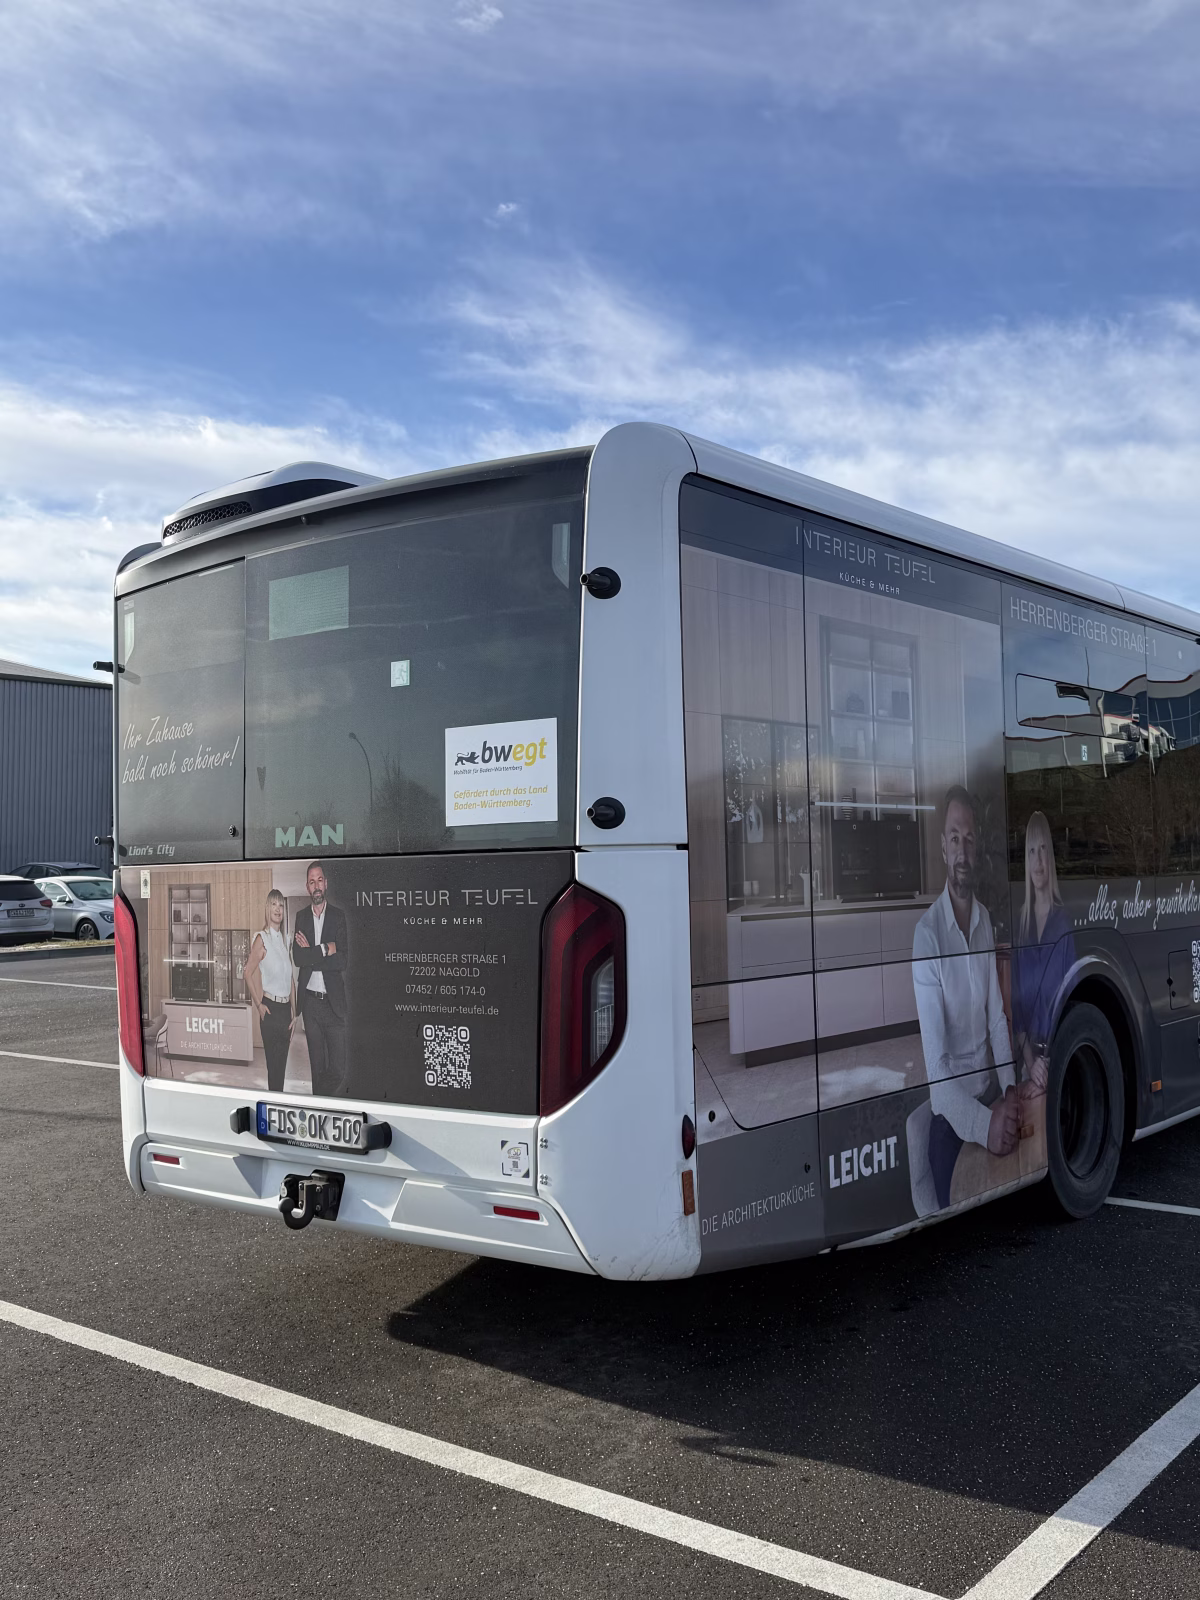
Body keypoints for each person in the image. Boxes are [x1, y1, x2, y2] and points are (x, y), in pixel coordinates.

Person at [912, 786, 1020, 1209]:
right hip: (954, 1124)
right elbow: (938, 1081)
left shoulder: (985, 921)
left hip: (993, 1099)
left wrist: (1010, 1090)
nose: (962, 849)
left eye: (969, 838)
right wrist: (986, 1125)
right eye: (954, 838)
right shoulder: (927, 936)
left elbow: (997, 1020)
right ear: (943, 848)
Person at [1011, 810, 1076, 1089]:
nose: (1038, 861)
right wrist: (1030, 1063)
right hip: (1028, 1066)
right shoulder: (1020, 924)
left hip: (1057, 1061)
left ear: (1051, 858)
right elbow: (1015, 1007)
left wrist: (1047, 1062)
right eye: (1031, 851)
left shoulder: (1064, 923)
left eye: (1043, 851)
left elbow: (1070, 999)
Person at [292, 861, 349, 1097]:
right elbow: (297, 958)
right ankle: (321, 1109)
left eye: (319, 880)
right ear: (307, 886)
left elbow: (343, 960)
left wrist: (311, 955)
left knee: (337, 1068)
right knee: (316, 1067)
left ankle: (322, 1098)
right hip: (311, 1005)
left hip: (333, 1003)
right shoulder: (301, 917)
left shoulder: (338, 917)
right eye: (312, 881)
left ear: (326, 884)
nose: (316, 886)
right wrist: (326, 948)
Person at [244, 888, 296, 1093]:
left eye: (281, 905)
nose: (278, 909)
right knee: (274, 1070)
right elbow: (247, 973)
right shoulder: (261, 938)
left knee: (281, 1069)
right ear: (267, 908)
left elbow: (290, 979)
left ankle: (279, 1107)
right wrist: (259, 1005)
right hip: (271, 1010)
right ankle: (275, 1114)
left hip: (285, 1013)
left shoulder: (283, 942)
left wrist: (294, 1012)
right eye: (274, 904)